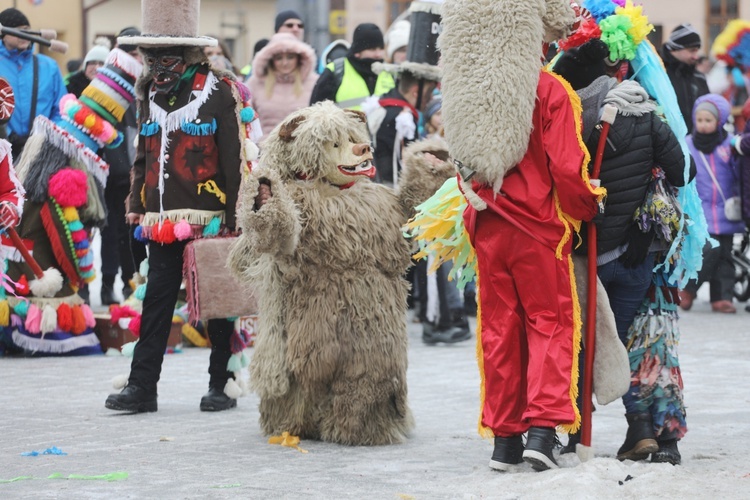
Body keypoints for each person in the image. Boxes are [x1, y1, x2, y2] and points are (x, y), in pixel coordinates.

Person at [105, 0, 244, 413]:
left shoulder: (219, 91)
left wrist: (236, 219)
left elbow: (233, 159)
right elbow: (143, 153)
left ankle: (222, 383)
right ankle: (142, 386)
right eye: (150, 55)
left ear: (188, 54)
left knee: (217, 302)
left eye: (167, 54)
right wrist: (136, 202)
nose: (157, 64)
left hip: (211, 217)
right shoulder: (148, 92)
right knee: (157, 301)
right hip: (163, 220)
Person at [552, 39, 689, 458]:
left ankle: (577, 432)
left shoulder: (578, 116)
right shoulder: (649, 114)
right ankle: (642, 429)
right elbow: (681, 172)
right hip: (636, 255)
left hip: (587, 255)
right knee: (627, 342)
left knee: (583, 344)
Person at [680, 94, 745, 313]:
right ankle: (689, 288)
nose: (704, 125)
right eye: (700, 120)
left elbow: (738, 173)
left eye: (708, 121)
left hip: (726, 209)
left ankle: (722, 296)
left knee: (725, 256)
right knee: (705, 251)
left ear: (719, 121)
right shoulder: (688, 144)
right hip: (700, 209)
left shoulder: (729, 145)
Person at [99, 27, 142, 305]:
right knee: (111, 229)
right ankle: (107, 283)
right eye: (132, 53)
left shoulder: (146, 82)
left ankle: (131, 282)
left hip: (137, 169)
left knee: (133, 231)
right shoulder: (110, 81)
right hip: (114, 169)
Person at [0, 7, 67, 159]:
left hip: (41, 151)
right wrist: (8, 136)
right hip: (3, 151)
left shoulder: (49, 66)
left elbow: (62, 109)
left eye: (27, 29)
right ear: (3, 35)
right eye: (18, 30)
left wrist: (44, 136)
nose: (24, 34)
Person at [247, 33, 318, 140]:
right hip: (265, 150)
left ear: (299, 58)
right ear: (271, 60)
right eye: (279, 58)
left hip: (304, 149)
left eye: (290, 57)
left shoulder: (313, 82)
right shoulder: (255, 83)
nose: (285, 63)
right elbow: (247, 120)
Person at [309, 23, 395, 110]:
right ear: (357, 52)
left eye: (381, 49)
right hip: (344, 123)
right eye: (372, 49)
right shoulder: (336, 71)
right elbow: (316, 112)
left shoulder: (389, 72)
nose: (378, 54)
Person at [662, 24, 709, 133]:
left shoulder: (699, 78)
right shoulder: (660, 76)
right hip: (666, 145)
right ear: (676, 48)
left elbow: (708, 110)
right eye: (692, 50)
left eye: (697, 51)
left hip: (695, 145)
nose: (696, 56)